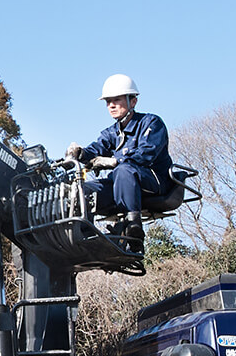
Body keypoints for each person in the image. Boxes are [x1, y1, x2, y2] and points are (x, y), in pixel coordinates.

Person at [65, 74, 172, 251]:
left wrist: (115, 162)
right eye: (108, 102)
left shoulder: (151, 123)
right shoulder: (111, 132)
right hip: (120, 185)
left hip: (153, 181)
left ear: (133, 101)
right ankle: (84, 238)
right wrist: (81, 153)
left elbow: (146, 154)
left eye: (116, 100)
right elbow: (97, 148)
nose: (111, 105)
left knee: (124, 170)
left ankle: (133, 228)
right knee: (82, 190)